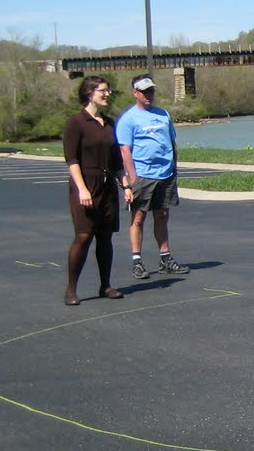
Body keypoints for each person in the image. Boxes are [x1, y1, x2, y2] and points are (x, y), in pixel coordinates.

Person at [62, 75, 129, 305]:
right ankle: (71, 289)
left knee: (105, 237)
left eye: (108, 90)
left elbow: (116, 161)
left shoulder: (109, 123)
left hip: (107, 185)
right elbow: (72, 160)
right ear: (90, 93)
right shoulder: (76, 123)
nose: (107, 94)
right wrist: (82, 189)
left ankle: (105, 285)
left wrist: (125, 185)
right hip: (85, 185)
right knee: (83, 235)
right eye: (103, 90)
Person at [115, 75, 190, 280]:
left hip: (165, 174)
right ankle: (136, 261)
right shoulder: (128, 119)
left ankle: (165, 259)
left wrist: (173, 167)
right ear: (135, 93)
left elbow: (172, 143)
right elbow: (125, 151)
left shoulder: (163, 115)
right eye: (144, 91)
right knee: (138, 218)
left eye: (151, 91)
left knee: (162, 215)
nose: (148, 95)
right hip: (143, 176)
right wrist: (133, 178)